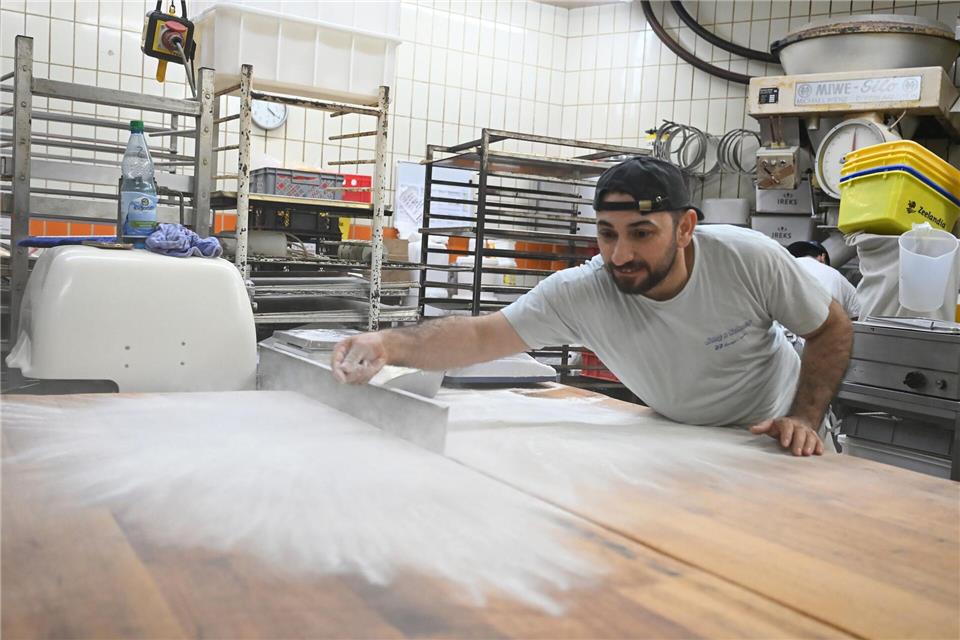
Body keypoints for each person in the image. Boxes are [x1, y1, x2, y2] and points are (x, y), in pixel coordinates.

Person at [333, 157, 853, 457]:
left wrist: (804, 417)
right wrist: (388, 343)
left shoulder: (746, 258)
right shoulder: (583, 291)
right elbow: (480, 337)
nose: (620, 255)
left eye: (641, 234)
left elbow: (831, 328)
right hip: (684, 446)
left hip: (778, 443)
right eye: (607, 234)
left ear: (687, 227)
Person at [787, 240, 860, 319]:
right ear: (822, 257)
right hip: (823, 329)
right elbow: (859, 311)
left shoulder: (784, 270)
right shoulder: (835, 275)